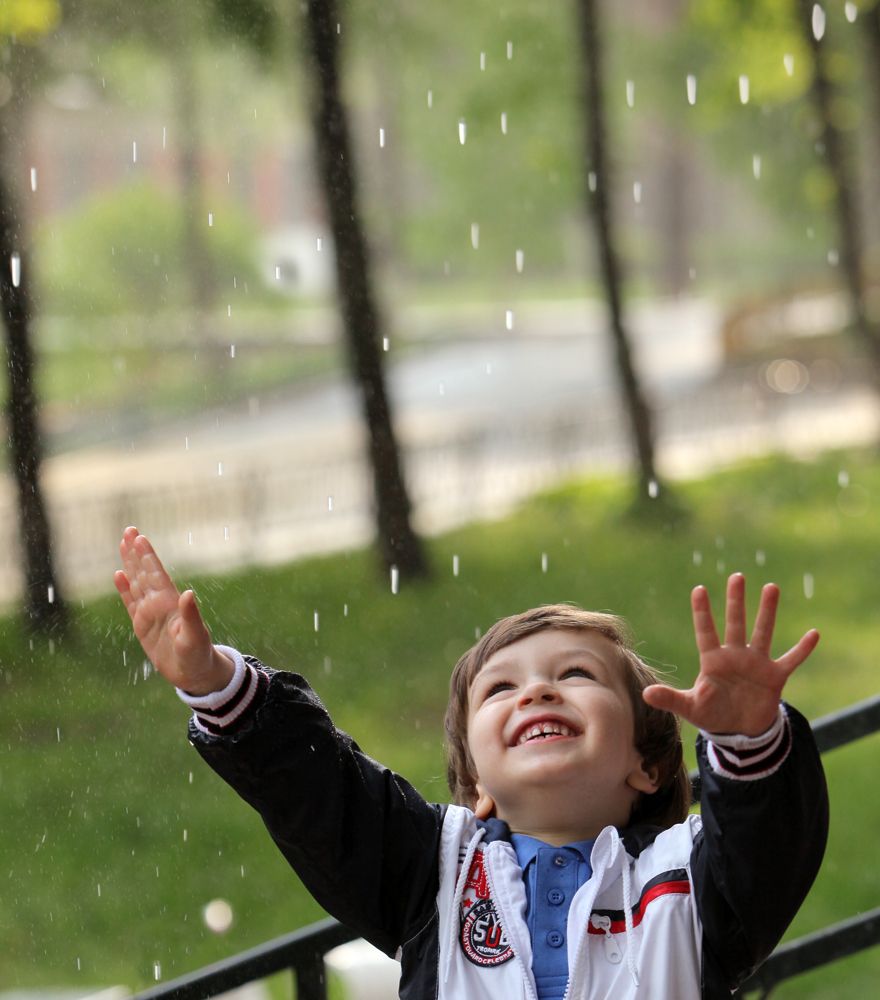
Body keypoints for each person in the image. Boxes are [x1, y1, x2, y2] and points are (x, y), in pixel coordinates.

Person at [114, 525, 828, 1000]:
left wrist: (750, 739)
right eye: (501, 688)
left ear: (646, 764)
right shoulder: (435, 870)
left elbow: (768, 843)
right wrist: (216, 683)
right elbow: (316, 790)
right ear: (478, 784)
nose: (538, 690)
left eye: (577, 674)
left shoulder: (690, 878)